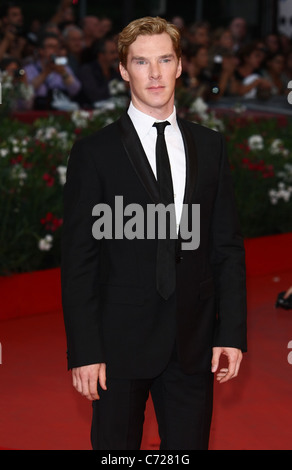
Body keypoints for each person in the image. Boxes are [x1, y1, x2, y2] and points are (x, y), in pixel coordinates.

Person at [61, 16, 247, 451]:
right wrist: (85, 350)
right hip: (117, 345)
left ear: (181, 65)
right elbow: (79, 260)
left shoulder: (210, 146)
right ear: (124, 70)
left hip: (193, 342)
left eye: (165, 59)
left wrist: (231, 334)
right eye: (142, 62)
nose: (156, 73)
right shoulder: (94, 154)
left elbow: (226, 247)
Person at [24, 32, 81, 109]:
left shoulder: (64, 68)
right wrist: (45, 73)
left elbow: (75, 90)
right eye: (51, 47)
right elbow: (26, 91)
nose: (55, 50)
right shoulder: (29, 69)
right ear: (41, 50)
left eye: (57, 47)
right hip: (38, 111)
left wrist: (63, 73)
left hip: (61, 110)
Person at [77, 36, 120, 107]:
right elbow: (95, 95)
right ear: (101, 55)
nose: (116, 56)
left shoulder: (114, 71)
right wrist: (120, 87)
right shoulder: (87, 71)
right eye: (112, 53)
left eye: (116, 52)